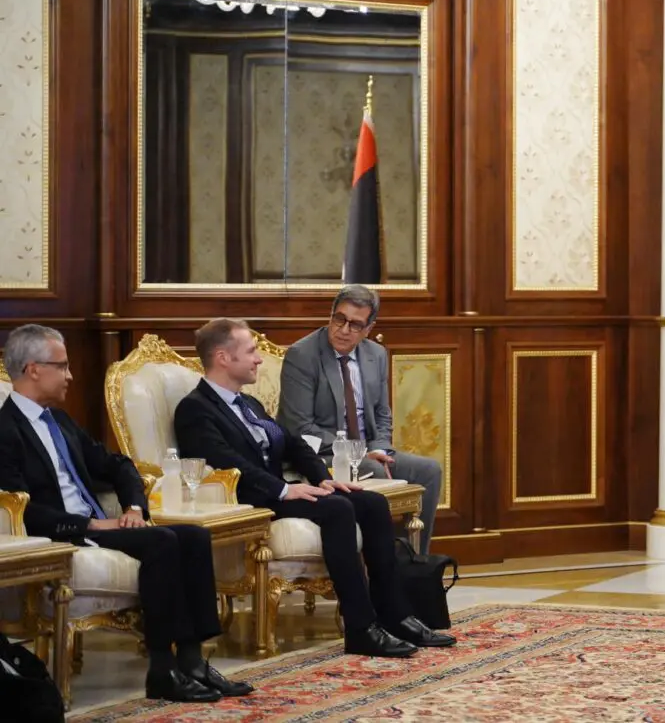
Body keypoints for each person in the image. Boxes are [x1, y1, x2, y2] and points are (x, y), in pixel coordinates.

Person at [172, 318, 455, 658]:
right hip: (247, 501)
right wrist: (283, 490)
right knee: (338, 509)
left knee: (371, 503)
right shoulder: (195, 409)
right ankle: (361, 628)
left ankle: (396, 615)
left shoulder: (248, 404)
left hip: (280, 491)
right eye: (251, 351)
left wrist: (322, 477)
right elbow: (228, 462)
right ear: (223, 357)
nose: (259, 359)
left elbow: (294, 444)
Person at [0, 325, 251, 703]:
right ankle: (162, 669)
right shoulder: (5, 430)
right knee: (162, 541)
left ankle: (192, 661)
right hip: (61, 533)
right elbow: (18, 505)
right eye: (62, 366)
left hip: (99, 524)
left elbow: (117, 465)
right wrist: (90, 523)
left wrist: (134, 507)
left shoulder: (59, 421)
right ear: (33, 369)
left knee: (194, 535)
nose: (70, 375)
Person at [277, 285, 442, 553]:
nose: (344, 330)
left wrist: (380, 448)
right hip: (321, 454)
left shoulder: (375, 354)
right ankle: (376, 561)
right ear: (331, 315)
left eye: (355, 325)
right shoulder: (302, 355)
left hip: (368, 451)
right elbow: (300, 427)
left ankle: (410, 561)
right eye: (339, 319)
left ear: (368, 328)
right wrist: (360, 452)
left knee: (428, 471)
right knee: (372, 468)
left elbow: (382, 413)